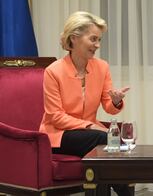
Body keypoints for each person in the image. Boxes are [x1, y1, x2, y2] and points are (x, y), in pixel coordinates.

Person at [39, 11, 131, 196]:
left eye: (99, 40)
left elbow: (108, 106)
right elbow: (55, 117)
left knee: (116, 144)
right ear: (74, 38)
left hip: (87, 134)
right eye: (93, 39)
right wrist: (90, 126)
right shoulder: (53, 72)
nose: (97, 45)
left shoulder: (101, 67)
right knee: (105, 139)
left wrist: (115, 101)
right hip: (59, 135)